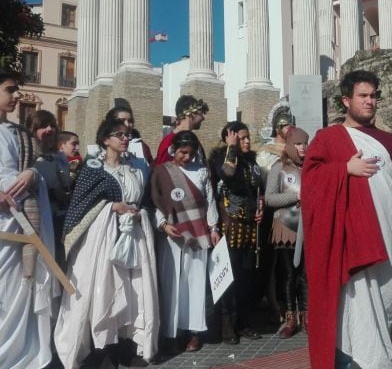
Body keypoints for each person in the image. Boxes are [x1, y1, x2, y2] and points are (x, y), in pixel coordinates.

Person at [302, 70, 392, 368]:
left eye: (373, 95)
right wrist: (344, 169)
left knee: (383, 304)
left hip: (386, 235)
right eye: (363, 95)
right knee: (354, 304)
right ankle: (356, 362)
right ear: (346, 100)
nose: (370, 101)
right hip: (352, 242)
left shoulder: (389, 141)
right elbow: (310, 182)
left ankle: (377, 357)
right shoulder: (329, 138)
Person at [55, 118, 159, 367]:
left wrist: (138, 212)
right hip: (102, 240)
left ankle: (125, 345)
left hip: (133, 236)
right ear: (105, 139)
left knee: (133, 291)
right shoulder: (93, 168)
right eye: (119, 134)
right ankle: (99, 349)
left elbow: (143, 200)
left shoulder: (133, 167)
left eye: (127, 134)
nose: (125, 138)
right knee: (103, 289)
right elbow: (81, 204)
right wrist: (112, 206)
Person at [0, 71, 56, 368]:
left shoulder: (21, 135)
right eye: (10, 90)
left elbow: (38, 171)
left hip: (22, 223)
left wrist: (32, 174)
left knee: (19, 289)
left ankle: (21, 357)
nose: (17, 96)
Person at [152, 131, 219, 353]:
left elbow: (210, 200)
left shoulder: (201, 171)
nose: (187, 157)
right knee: (172, 283)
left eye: (190, 153)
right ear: (173, 150)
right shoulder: (162, 172)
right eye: (183, 152)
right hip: (173, 236)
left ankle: (194, 332)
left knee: (196, 283)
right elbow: (155, 202)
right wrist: (163, 225)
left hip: (198, 234)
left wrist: (213, 227)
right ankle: (170, 333)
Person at [209, 121, 264, 344]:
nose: (247, 141)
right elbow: (228, 175)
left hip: (250, 228)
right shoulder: (221, 158)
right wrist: (231, 147)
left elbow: (257, 188)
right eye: (241, 138)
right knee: (228, 279)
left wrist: (261, 206)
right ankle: (227, 326)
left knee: (246, 278)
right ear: (229, 139)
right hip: (230, 227)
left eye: (247, 137)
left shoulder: (252, 163)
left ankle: (244, 323)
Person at [265, 127, 309, 339]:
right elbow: (270, 198)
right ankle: (291, 318)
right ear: (291, 145)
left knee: (306, 275)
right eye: (299, 143)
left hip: (308, 228)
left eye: (305, 143)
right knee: (289, 274)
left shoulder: (312, 167)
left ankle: (307, 315)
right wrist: (296, 197)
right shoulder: (279, 168)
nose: (302, 148)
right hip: (286, 228)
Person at [255, 108, 294, 325]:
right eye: (286, 125)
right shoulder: (266, 152)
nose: (290, 129)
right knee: (272, 259)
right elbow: (268, 179)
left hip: (292, 211)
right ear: (278, 128)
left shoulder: (295, 148)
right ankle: (273, 302)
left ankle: (290, 302)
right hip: (273, 210)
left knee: (290, 261)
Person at [26, 110, 72, 269]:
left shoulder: (60, 157)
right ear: (32, 129)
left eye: (52, 125)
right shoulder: (28, 157)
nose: (49, 129)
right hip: (39, 217)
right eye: (43, 126)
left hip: (61, 216)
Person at [154, 96, 208, 167]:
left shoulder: (194, 141)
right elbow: (161, 173)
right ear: (190, 113)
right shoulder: (169, 141)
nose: (203, 118)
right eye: (200, 113)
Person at [105, 105, 154, 173]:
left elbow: (150, 170)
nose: (127, 124)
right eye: (122, 120)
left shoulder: (143, 146)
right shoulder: (97, 150)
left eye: (130, 121)